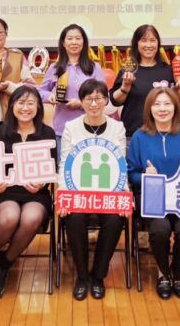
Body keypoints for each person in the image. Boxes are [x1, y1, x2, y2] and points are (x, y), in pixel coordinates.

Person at [0, 86, 57, 299]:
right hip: (4, 192)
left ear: (38, 107)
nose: (25, 108)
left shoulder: (47, 133)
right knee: (10, 216)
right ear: (12, 106)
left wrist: (42, 182)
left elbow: (53, 167)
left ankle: (4, 263)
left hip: (35, 193)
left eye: (30, 103)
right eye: (20, 103)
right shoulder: (0, 131)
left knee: (31, 218)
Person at [127, 87, 180, 300]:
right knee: (160, 230)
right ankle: (163, 272)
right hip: (153, 197)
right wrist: (145, 175)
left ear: (176, 107)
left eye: (167, 104)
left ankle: (177, 272)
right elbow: (131, 173)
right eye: (157, 104)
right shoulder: (139, 137)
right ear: (149, 109)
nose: (162, 109)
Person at [58, 78, 128, 301]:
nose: (94, 103)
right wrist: (64, 196)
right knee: (74, 217)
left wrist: (123, 196)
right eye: (89, 99)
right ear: (81, 101)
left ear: (107, 100)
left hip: (108, 191)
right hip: (78, 190)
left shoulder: (117, 127)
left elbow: (121, 164)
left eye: (99, 98)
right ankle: (81, 276)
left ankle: (98, 275)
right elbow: (64, 163)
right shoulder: (71, 127)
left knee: (115, 219)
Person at [39, 23, 108, 145]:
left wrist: (82, 104)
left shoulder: (94, 67)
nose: (74, 42)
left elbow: (105, 97)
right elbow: (40, 92)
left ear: (84, 42)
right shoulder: (55, 67)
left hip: (90, 127)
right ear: (63, 43)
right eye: (70, 38)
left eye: (78, 38)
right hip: (62, 129)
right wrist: (49, 96)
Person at [110, 24, 180, 139]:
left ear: (158, 44)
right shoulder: (128, 70)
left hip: (164, 133)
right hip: (133, 133)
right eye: (144, 40)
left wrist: (177, 89)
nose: (148, 45)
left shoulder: (168, 70)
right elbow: (115, 101)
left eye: (152, 40)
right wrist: (125, 87)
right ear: (136, 43)